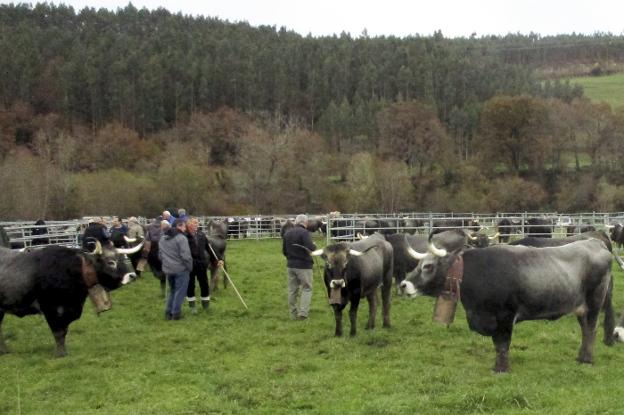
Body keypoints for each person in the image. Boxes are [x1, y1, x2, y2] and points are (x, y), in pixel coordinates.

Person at [282, 214, 317, 320]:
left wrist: (290, 257)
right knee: (307, 288)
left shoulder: (287, 233)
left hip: (291, 265)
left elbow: (284, 250)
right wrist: (314, 245)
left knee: (293, 290)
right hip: (304, 265)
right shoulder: (304, 232)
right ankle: (303, 314)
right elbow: (310, 248)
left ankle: (293, 314)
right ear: (305, 223)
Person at [185, 217, 222, 313]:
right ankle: (192, 306)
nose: (197, 224)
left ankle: (205, 305)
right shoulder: (184, 236)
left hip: (202, 263)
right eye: (194, 223)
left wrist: (218, 259)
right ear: (189, 225)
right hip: (189, 264)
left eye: (197, 223)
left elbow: (210, 249)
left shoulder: (201, 235)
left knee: (204, 284)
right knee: (190, 285)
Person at [159, 219, 193, 320]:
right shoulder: (181, 238)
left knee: (172, 291)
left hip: (168, 270)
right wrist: (189, 267)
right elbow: (186, 256)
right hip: (181, 269)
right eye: (184, 226)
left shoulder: (162, 238)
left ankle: (168, 312)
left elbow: (160, 255)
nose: (185, 229)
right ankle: (176, 313)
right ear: (179, 226)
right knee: (180, 292)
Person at [144, 219, 169, 297]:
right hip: (162, 256)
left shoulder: (152, 231)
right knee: (164, 275)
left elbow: (148, 243)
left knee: (163, 275)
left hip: (158, 255)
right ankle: (165, 292)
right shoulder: (171, 232)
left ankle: (165, 291)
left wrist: (146, 253)